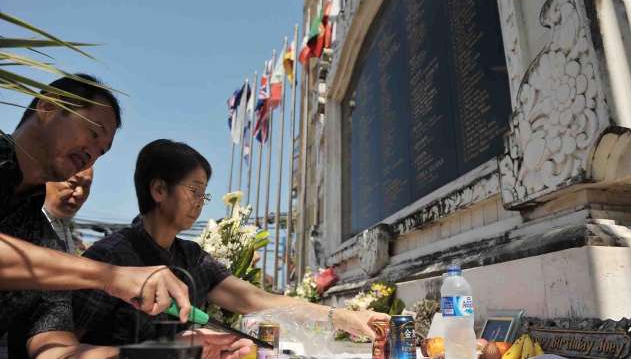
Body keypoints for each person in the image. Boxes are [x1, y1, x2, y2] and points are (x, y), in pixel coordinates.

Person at [72, 139, 390, 350]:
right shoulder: (109, 259)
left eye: (204, 193)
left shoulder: (191, 257)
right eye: (194, 191)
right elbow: (64, 347)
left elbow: (255, 299)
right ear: (158, 190)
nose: (200, 203)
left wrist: (339, 317)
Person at [0, 75, 196, 358]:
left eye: (102, 151)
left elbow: (52, 346)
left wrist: (153, 354)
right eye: (93, 132)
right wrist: (111, 276)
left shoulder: (46, 242)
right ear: (47, 108)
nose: (93, 153)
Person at [43, 167, 94, 254]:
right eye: (72, 183)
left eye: (86, 186)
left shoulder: (66, 232)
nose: (80, 193)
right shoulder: (23, 221)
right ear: (46, 180)